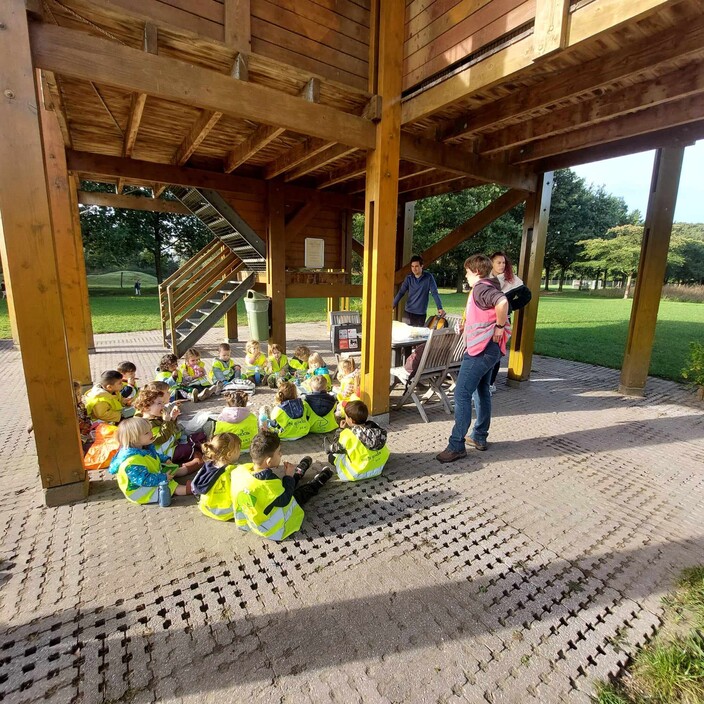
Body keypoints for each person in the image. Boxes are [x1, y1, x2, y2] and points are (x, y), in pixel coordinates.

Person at [436, 254, 510, 463]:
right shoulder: (491, 285)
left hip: (480, 350)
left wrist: (499, 326)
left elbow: (502, 304)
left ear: (476, 271)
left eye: (467, 272)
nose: (466, 276)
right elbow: (488, 312)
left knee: (461, 393)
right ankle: (479, 436)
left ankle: (456, 445)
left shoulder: (480, 288)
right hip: (492, 348)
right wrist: (468, 326)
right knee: (482, 390)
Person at [230, 431, 333, 541]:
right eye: (279, 452)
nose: (281, 454)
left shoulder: (239, 471)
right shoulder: (268, 482)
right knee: (299, 495)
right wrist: (288, 476)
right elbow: (285, 499)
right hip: (273, 528)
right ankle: (317, 481)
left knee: (285, 484)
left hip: (254, 521)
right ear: (268, 461)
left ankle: (298, 472)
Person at [108, 417, 194, 504]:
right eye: (147, 433)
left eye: (150, 430)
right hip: (141, 491)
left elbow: (154, 456)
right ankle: (195, 489)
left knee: (171, 473)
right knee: (172, 487)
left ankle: (188, 474)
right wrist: (163, 477)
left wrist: (165, 459)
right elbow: (144, 480)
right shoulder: (131, 462)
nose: (151, 433)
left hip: (152, 477)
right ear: (134, 439)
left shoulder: (143, 447)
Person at [133, 388, 204, 472]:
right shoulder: (147, 424)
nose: (163, 406)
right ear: (146, 407)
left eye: (163, 403)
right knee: (191, 448)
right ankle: (187, 467)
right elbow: (161, 439)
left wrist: (172, 418)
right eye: (159, 403)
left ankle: (198, 456)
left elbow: (170, 430)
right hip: (166, 452)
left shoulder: (155, 417)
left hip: (172, 444)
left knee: (199, 436)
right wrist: (167, 421)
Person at [324, 400, 389, 481]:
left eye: (346, 416)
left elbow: (334, 447)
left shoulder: (347, 434)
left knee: (332, 456)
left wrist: (340, 430)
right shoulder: (375, 428)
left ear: (351, 420)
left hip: (357, 473)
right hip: (378, 468)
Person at [488, 251, 524, 392]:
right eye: (499, 262)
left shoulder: (512, 280)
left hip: (502, 321)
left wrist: (509, 307)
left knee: (497, 350)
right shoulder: (486, 278)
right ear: (491, 263)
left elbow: (526, 296)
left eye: (504, 262)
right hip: (487, 320)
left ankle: (491, 383)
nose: (502, 265)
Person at [192, 433, 241, 522]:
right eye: (238, 449)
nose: (239, 452)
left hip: (206, 507)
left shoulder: (208, 465)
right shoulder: (230, 471)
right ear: (229, 454)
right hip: (224, 512)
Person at [393, 255, 445, 327]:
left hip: (420, 314)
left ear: (422, 266)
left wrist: (440, 308)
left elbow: (434, 293)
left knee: (418, 336)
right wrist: (393, 305)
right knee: (406, 335)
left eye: (416, 266)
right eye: (412, 266)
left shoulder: (429, 277)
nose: (414, 269)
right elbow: (401, 292)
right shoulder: (408, 278)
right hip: (408, 313)